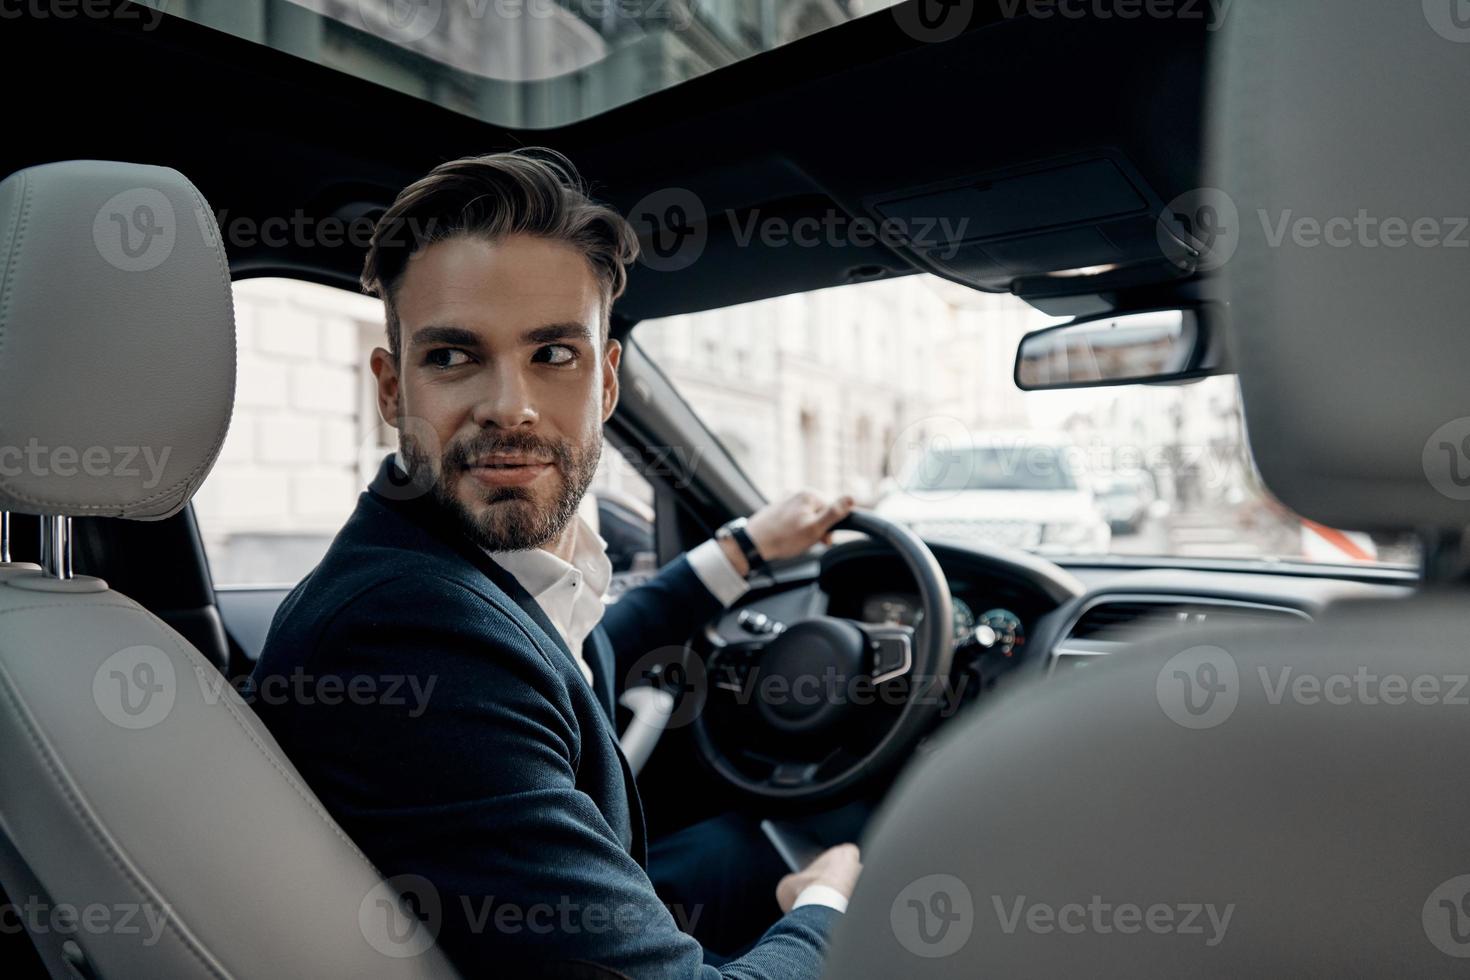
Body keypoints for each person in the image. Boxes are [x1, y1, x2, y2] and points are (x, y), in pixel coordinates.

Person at [251, 148, 861, 978]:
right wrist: (828, 911)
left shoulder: (452, 573)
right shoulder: (408, 641)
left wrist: (742, 551)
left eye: (553, 355)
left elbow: (573, 652)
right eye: (453, 356)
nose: (511, 407)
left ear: (607, 382)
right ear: (392, 389)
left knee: (730, 847)